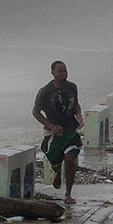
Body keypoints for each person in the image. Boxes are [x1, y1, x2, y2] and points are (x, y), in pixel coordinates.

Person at [32, 61, 84, 204]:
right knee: (55, 160)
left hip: (70, 130)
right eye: (60, 72)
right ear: (53, 73)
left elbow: (76, 104)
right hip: (53, 132)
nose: (63, 74)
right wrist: (50, 125)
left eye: (65, 71)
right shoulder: (45, 91)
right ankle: (57, 171)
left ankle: (68, 193)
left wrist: (79, 115)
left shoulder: (72, 87)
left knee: (69, 158)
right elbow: (35, 112)